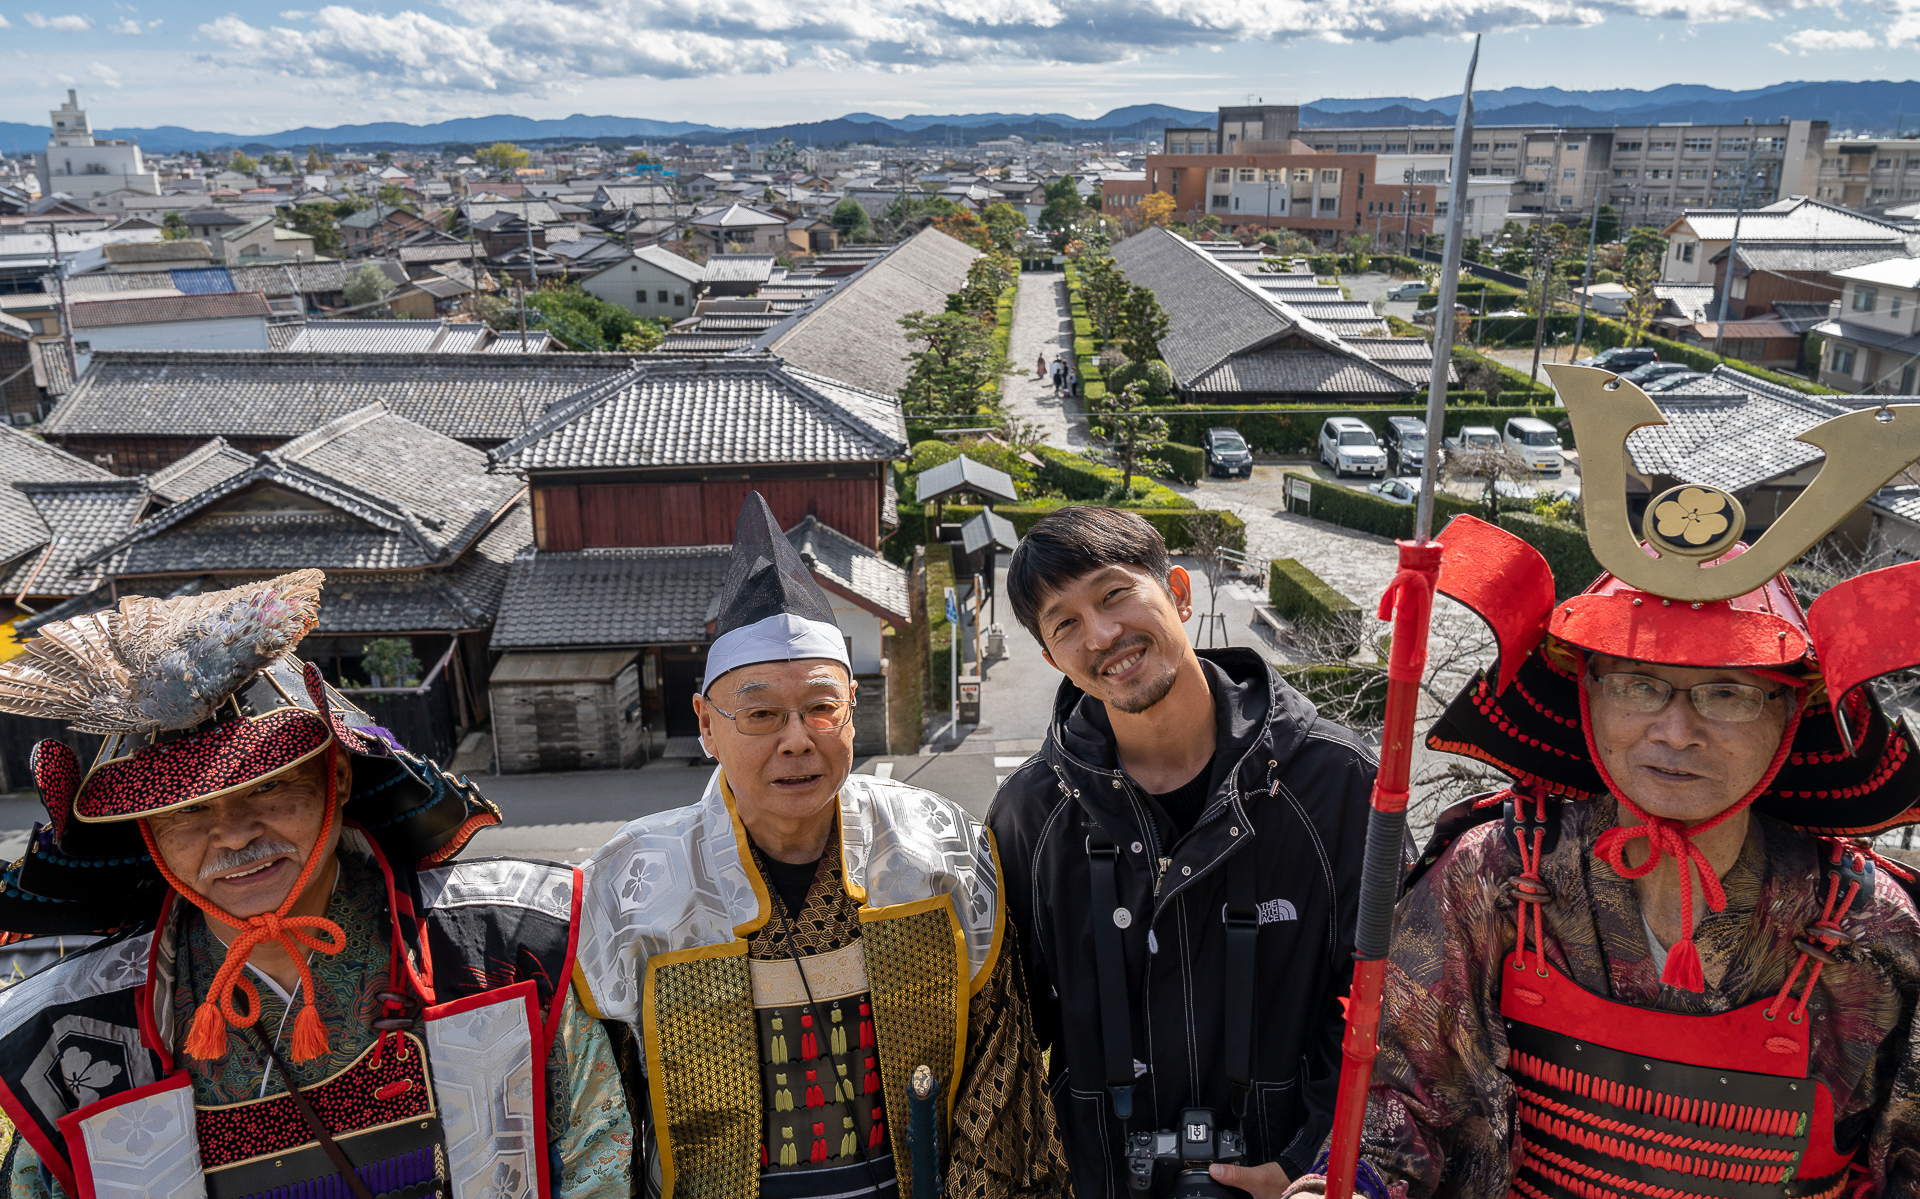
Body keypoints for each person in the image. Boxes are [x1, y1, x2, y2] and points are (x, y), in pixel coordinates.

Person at [1283, 494, 1920, 1199]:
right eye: (1639, 684)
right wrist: (1347, 1188)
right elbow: (1402, 1098)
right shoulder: (1497, 875)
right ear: (1588, 693)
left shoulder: (1870, 926)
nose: (1676, 731)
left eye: (1728, 692)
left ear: (1791, 711)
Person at [0, 570, 630, 1199]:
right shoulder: (67, 1033)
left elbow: (596, 1163)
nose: (235, 835)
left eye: (268, 787)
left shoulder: (508, 948)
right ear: (146, 831)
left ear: (339, 778)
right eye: (187, 810)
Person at [575, 493, 1066, 1198]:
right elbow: (603, 1120)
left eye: (821, 707)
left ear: (852, 715)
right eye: (761, 713)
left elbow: (1001, 1064)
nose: (797, 739)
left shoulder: (941, 850)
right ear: (707, 726)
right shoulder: (631, 884)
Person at [991, 505, 1374, 1198]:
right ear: (1052, 660)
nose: (1102, 635)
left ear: (1180, 591)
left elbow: (1401, 1006)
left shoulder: (1334, 782)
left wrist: (1312, 1163)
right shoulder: (1032, 814)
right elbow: (1010, 1035)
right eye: (1066, 624)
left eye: (1114, 595)